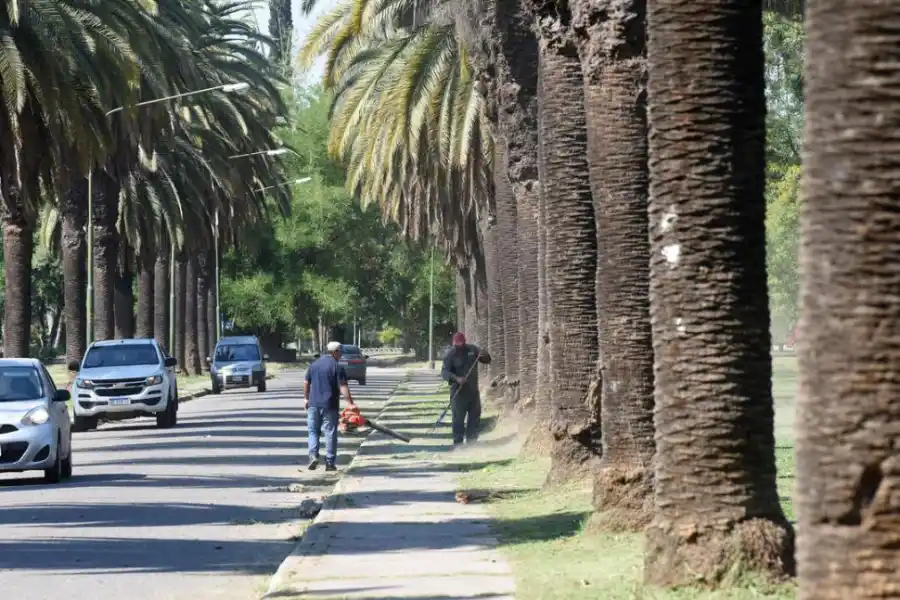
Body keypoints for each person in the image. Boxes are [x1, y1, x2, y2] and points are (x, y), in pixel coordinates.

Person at [304, 341, 356, 471]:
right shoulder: (337, 367)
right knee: (330, 433)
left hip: (313, 404)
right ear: (335, 352)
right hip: (330, 405)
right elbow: (343, 386)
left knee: (313, 431)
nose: (341, 354)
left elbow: (306, 383)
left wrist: (306, 399)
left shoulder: (314, 365)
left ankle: (313, 456)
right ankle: (330, 463)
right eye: (340, 352)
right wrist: (350, 403)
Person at [441, 332, 491, 445]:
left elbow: (486, 360)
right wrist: (456, 378)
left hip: (473, 392)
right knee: (458, 419)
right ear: (454, 344)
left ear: (465, 342)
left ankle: (472, 442)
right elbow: (444, 372)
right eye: (457, 345)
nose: (460, 347)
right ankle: (458, 442)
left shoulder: (473, 350)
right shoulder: (450, 355)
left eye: (462, 344)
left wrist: (485, 355)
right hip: (458, 393)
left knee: (474, 417)